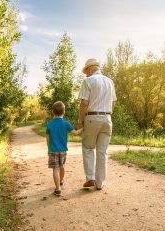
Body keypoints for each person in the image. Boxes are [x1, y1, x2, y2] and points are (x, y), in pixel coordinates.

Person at [78, 58, 117, 190]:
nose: (86, 74)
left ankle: (90, 178)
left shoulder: (88, 81)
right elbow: (113, 103)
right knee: (102, 152)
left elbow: (84, 103)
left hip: (92, 117)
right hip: (107, 118)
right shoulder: (110, 81)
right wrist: (107, 114)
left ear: (89, 69)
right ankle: (100, 183)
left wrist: (80, 121)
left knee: (88, 147)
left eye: (86, 71)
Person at [46, 101, 83, 196]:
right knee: (62, 167)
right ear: (64, 112)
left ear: (52, 112)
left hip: (53, 150)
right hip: (63, 150)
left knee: (55, 169)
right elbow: (75, 133)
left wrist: (48, 150)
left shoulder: (49, 124)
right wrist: (83, 128)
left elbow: (48, 138)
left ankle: (58, 188)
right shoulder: (66, 123)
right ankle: (61, 180)